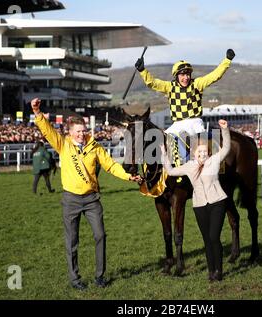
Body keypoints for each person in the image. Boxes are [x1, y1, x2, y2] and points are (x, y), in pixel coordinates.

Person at [31, 98, 142, 290]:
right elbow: (47, 130)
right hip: (70, 200)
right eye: (78, 132)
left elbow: (111, 165)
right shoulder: (63, 144)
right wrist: (37, 112)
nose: (82, 134)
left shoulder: (95, 146)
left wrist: (128, 176)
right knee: (72, 241)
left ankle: (100, 276)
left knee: (100, 235)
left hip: (92, 199)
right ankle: (75, 279)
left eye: (84, 131)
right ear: (70, 133)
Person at [136, 49, 235, 167]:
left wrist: (227, 60)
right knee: (160, 142)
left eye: (188, 74)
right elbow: (152, 83)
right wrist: (142, 70)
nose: (186, 78)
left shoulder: (197, 84)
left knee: (201, 148)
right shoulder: (169, 87)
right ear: (176, 76)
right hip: (177, 124)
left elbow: (215, 75)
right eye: (182, 75)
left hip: (195, 123)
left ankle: (209, 169)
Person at [161, 119, 231, 282]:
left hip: (217, 202)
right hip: (199, 206)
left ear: (208, 152)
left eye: (204, 152)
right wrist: (164, 155)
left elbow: (226, 147)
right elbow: (170, 171)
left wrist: (225, 130)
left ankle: (219, 270)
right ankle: (211, 271)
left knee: (214, 237)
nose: (202, 155)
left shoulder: (214, 161)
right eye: (199, 153)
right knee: (207, 240)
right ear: (194, 154)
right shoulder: (190, 166)